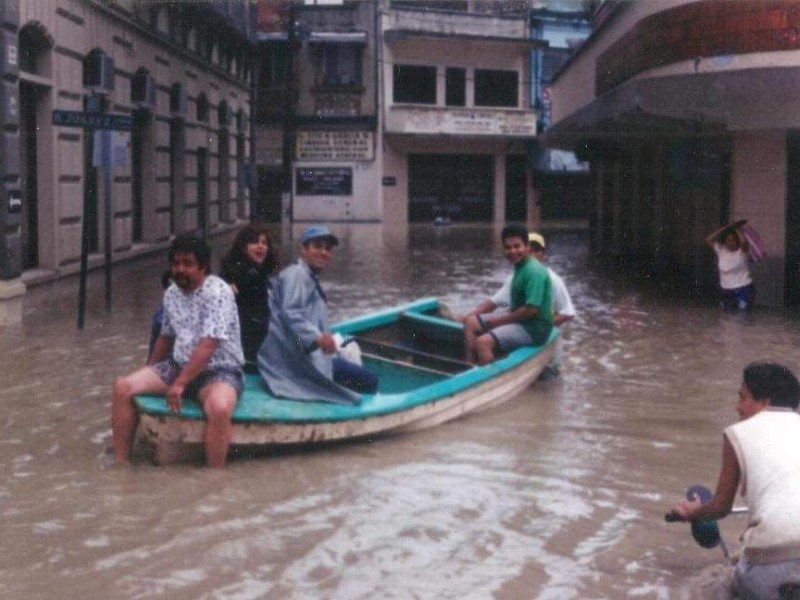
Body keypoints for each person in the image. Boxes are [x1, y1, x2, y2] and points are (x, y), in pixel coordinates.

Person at [112, 234, 245, 468]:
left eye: (187, 264)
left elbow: (208, 345)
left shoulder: (218, 292)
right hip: (179, 365)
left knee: (219, 407)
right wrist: (149, 370)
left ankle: (215, 476)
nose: (180, 270)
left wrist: (180, 384)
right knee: (123, 387)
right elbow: (166, 336)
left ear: (203, 267)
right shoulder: (172, 293)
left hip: (219, 371)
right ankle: (121, 463)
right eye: (175, 264)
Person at [669, 362, 800, 599]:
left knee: (708, 587)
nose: (738, 407)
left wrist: (693, 512)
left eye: (743, 397)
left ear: (765, 401)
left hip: (768, 563)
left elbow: (720, 507)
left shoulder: (738, 433)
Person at [258, 225, 378, 404]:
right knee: (370, 380)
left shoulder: (306, 276)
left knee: (349, 360)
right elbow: (290, 313)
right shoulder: (297, 275)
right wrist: (318, 338)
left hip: (303, 353)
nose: (323, 252)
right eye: (317, 246)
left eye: (327, 248)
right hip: (297, 363)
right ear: (304, 249)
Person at [457, 224, 553, 365]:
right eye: (508, 247)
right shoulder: (521, 267)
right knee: (471, 322)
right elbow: (499, 302)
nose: (513, 251)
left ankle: (488, 381)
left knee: (483, 342)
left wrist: (498, 322)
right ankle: (469, 367)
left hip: (535, 328)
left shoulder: (534, 272)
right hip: (521, 319)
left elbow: (531, 310)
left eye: (517, 246)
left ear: (527, 247)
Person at [220, 223, 279, 372]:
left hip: (259, 342)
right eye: (255, 242)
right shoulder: (240, 274)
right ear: (243, 246)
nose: (260, 246)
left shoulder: (259, 273)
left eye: (264, 243)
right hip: (250, 352)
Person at [705, 222, 754, 311]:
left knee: (742, 316)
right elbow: (709, 239)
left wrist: (737, 229)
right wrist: (725, 228)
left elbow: (744, 242)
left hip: (743, 288)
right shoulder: (721, 251)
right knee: (727, 316)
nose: (730, 243)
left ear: (737, 241)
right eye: (728, 240)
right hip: (727, 290)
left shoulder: (742, 252)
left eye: (733, 240)